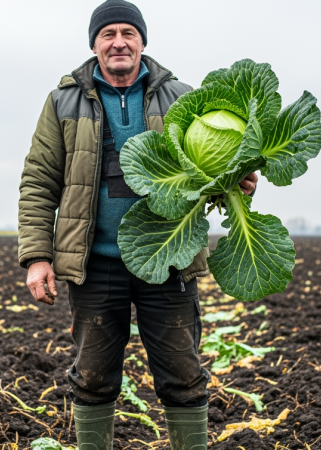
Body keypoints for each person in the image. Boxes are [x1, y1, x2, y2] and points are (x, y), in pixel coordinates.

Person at [17, 1, 258, 448]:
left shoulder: (182, 97)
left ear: (142, 42)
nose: (118, 43)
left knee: (183, 375)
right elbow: (38, 181)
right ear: (94, 44)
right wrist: (37, 256)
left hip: (169, 255)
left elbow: (210, 170)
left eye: (128, 33)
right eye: (107, 34)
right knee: (92, 377)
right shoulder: (63, 101)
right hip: (95, 263)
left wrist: (237, 180)